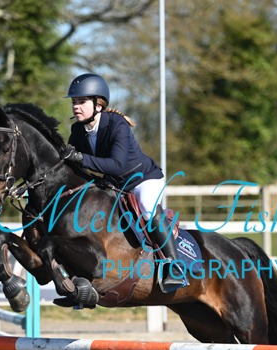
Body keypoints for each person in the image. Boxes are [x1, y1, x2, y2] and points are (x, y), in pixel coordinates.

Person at [60, 73, 186, 291]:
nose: (76, 107)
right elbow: (73, 166)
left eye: (81, 102)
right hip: (114, 184)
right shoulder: (77, 130)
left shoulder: (116, 124)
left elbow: (116, 165)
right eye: (74, 102)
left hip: (143, 179)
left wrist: (80, 158)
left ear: (98, 105)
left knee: (147, 208)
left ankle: (174, 265)